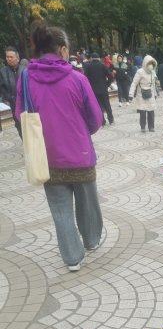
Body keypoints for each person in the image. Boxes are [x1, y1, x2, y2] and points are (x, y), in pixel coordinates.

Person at [15, 22, 103, 272]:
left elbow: (21, 115)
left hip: (47, 157)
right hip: (80, 154)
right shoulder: (78, 79)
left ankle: (73, 258)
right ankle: (91, 240)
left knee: (60, 210)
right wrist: (81, 132)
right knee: (88, 203)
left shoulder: (25, 79)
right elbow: (96, 119)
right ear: (62, 49)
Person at [0, 47, 28, 138]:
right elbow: (2, 89)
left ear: (17, 58)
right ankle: (25, 142)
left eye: (11, 57)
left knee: (29, 126)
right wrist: (9, 98)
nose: (9, 59)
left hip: (26, 104)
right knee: (19, 126)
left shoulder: (25, 70)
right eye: (7, 57)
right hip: (14, 105)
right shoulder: (3, 72)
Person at [129, 54, 158, 133]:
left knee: (151, 111)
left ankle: (151, 127)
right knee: (142, 111)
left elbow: (153, 85)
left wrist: (155, 94)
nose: (151, 65)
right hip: (141, 95)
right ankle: (143, 127)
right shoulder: (140, 72)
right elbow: (134, 83)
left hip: (150, 94)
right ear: (145, 63)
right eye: (149, 63)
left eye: (152, 63)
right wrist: (131, 94)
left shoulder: (153, 72)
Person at [84, 52, 114, 125]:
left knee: (98, 105)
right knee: (107, 104)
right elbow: (110, 76)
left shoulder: (88, 67)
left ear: (91, 58)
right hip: (103, 89)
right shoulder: (102, 65)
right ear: (98, 58)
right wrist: (107, 84)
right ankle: (111, 120)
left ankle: (102, 121)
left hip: (93, 90)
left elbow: (85, 78)